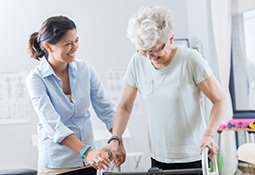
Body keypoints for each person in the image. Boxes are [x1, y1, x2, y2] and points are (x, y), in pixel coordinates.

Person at [105, 5, 227, 171]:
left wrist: (208, 134)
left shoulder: (190, 59)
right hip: (158, 157)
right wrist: (116, 139)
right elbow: (124, 107)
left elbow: (220, 100)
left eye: (156, 50)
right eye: (145, 52)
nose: (151, 58)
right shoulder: (137, 61)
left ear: (171, 39)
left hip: (193, 155)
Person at [26, 15, 125, 175]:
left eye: (76, 41)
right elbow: (54, 126)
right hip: (57, 165)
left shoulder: (85, 69)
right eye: (68, 44)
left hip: (88, 162)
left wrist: (117, 140)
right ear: (49, 46)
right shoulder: (36, 79)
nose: (75, 47)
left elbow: (107, 110)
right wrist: (87, 152)